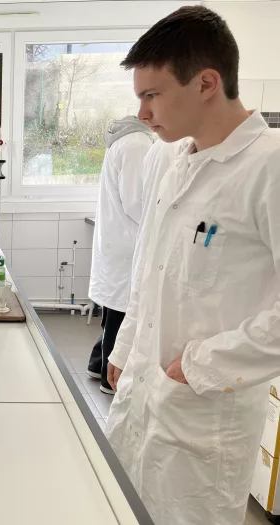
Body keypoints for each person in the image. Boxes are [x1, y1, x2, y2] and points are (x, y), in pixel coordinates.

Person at [105, 6, 280, 525]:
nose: (142, 113)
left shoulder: (268, 168)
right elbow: (151, 270)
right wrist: (126, 346)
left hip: (205, 417)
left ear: (206, 82)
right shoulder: (176, 162)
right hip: (144, 396)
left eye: (152, 95)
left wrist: (203, 364)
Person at [87, 116, 153, 394]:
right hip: (129, 244)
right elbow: (137, 202)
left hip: (118, 242)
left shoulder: (126, 141)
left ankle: (97, 364)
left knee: (114, 309)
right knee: (122, 313)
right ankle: (109, 378)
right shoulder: (137, 144)